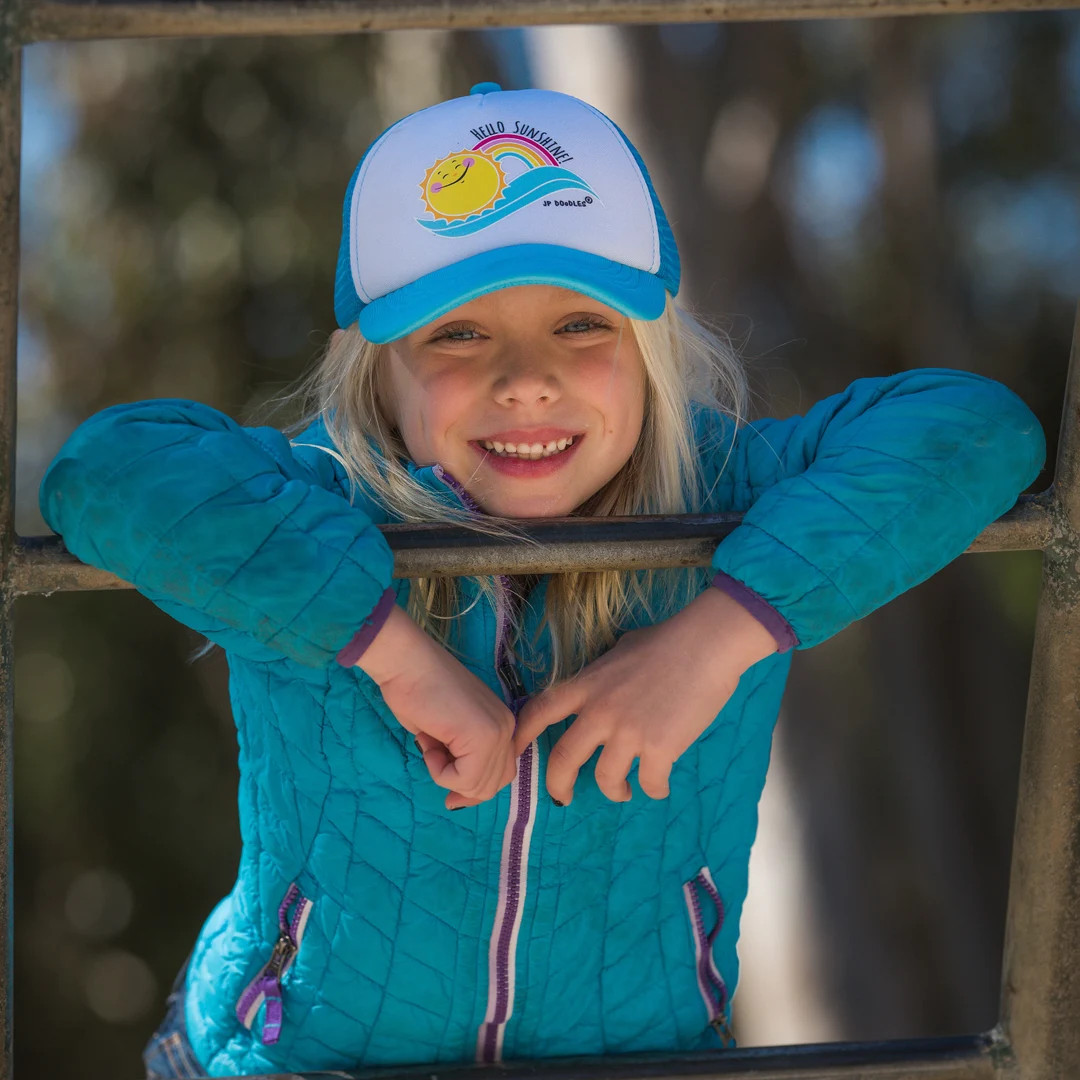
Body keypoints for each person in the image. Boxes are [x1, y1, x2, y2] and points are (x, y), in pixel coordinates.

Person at [39, 83, 1045, 1078]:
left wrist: (716, 635)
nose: (526, 378)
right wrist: (394, 657)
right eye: (458, 332)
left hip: (633, 1062)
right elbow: (105, 473)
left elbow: (979, 431)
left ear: (651, 346)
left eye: (581, 325)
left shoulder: (727, 490)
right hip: (285, 1060)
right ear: (378, 367)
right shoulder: (318, 501)